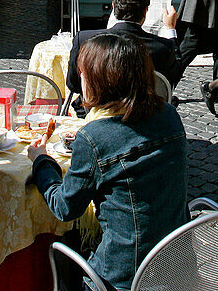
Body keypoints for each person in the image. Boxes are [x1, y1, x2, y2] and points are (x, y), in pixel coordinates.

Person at [29, 33, 188, 291]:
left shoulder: (94, 137)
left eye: (83, 73)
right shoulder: (169, 115)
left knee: (59, 254)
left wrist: (42, 162)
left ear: (99, 81)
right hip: (176, 265)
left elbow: (65, 208)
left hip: (124, 276)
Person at [68, 0, 178, 112]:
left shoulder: (84, 39)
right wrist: (171, 29)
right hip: (143, 115)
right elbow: (170, 81)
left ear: (114, 6)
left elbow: (73, 84)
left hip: (97, 113)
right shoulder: (163, 47)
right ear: (145, 10)